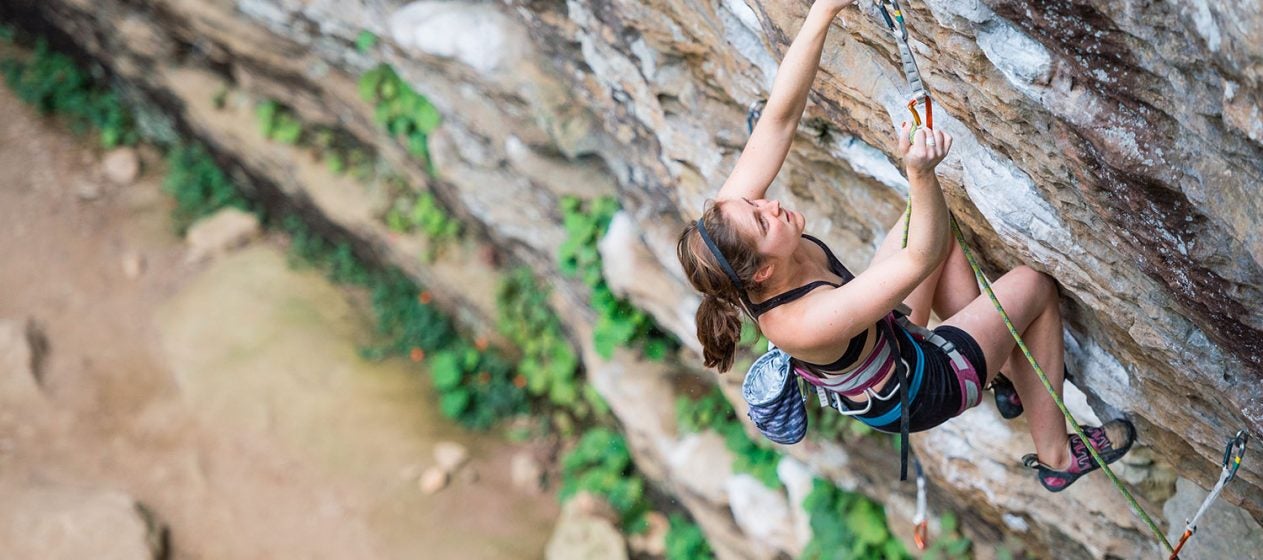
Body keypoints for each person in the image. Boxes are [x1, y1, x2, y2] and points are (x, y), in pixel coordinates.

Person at [675, 0, 1134, 492]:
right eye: (764, 222)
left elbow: (780, 119)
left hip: (889, 337)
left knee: (929, 219)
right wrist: (920, 173)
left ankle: (1004, 375)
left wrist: (824, 12)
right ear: (761, 273)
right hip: (919, 386)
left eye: (757, 203)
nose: (771, 205)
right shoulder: (803, 322)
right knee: (1033, 287)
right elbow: (921, 258)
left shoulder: (732, 236)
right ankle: (1056, 456)